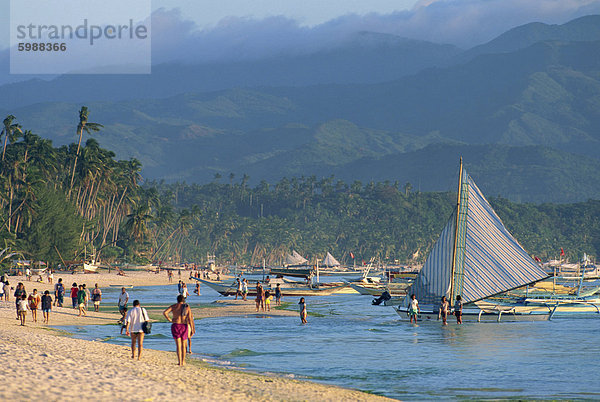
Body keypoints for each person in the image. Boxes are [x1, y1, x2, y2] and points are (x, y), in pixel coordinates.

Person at [163, 295, 195, 366]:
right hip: (184, 326)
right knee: (184, 345)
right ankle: (183, 361)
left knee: (178, 345)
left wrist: (170, 319)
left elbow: (165, 312)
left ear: (177, 300)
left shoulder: (174, 306)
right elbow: (190, 318)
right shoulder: (186, 307)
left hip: (176, 325)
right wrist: (192, 328)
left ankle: (180, 361)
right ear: (183, 300)